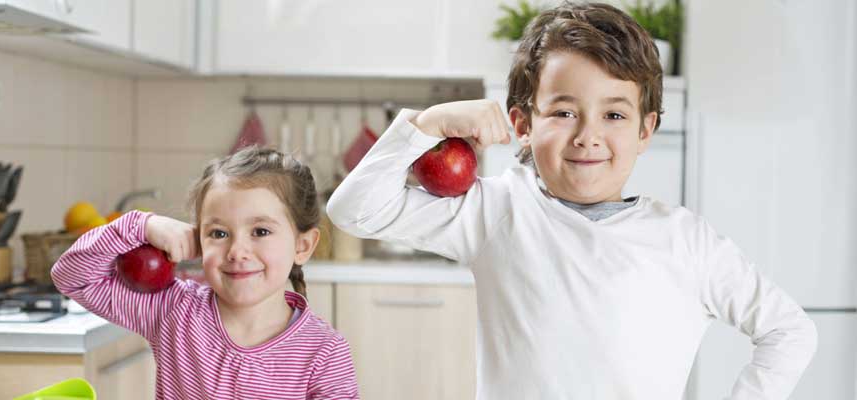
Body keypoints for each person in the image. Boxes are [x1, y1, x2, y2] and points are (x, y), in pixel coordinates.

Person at [326, 2, 816, 399]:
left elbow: (789, 332)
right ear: (522, 125)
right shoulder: (498, 212)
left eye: (614, 116)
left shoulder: (687, 240)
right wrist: (429, 123)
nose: (588, 136)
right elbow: (355, 209)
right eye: (564, 111)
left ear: (646, 130)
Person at [52, 146, 359, 399]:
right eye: (219, 234)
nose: (237, 251)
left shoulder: (323, 352)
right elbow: (72, 277)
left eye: (261, 231)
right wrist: (141, 225)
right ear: (198, 240)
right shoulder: (172, 311)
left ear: (302, 246)